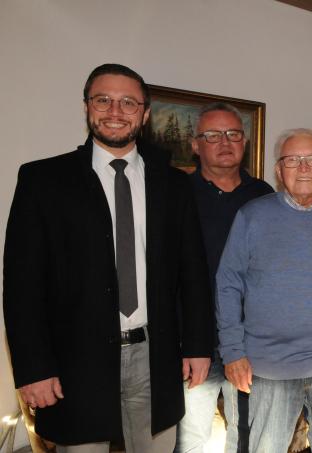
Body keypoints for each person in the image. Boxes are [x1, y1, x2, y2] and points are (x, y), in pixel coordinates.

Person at [3, 63, 213, 452]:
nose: (115, 111)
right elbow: (22, 285)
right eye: (104, 100)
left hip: (156, 358)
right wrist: (33, 369)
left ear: (145, 113)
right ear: (87, 107)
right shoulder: (43, 180)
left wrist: (198, 345)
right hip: (75, 362)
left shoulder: (174, 184)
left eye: (128, 102)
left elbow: (193, 272)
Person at [216, 128, 312, 453]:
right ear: (278, 170)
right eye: (293, 160)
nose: (303, 168)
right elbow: (228, 282)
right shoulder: (252, 217)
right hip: (269, 367)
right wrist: (233, 351)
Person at [175, 103, 274, 453]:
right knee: (191, 439)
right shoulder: (175, 195)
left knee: (248, 436)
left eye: (233, 134)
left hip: (251, 342)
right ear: (195, 144)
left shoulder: (265, 196)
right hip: (191, 342)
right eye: (212, 135)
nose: (224, 142)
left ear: (244, 142)